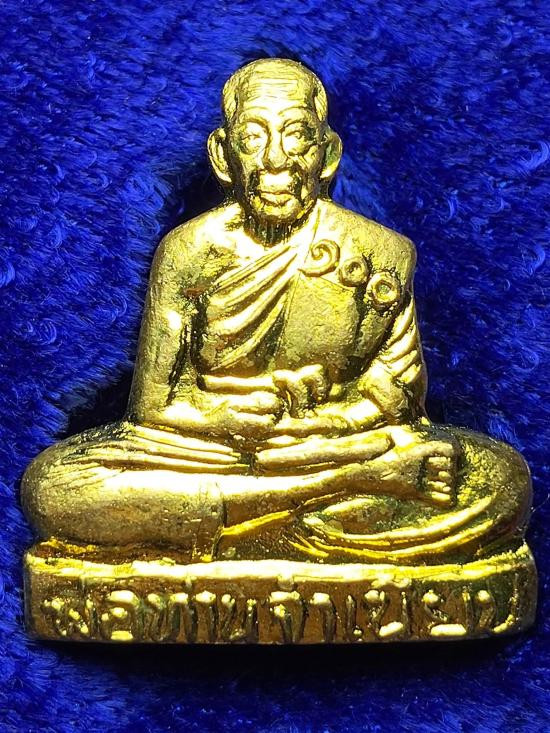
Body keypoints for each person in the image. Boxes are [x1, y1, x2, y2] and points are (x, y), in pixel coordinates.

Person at [22, 59, 531, 565]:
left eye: (297, 137)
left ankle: (227, 529)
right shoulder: (189, 251)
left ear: (327, 154)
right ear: (223, 156)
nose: (275, 160)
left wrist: (329, 421)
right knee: (54, 487)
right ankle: (331, 496)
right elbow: (152, 408)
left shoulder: (379, 253)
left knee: (499, 477)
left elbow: (401, 401)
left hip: (329, 446)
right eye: (252, 138)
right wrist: (221, 417)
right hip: (210, 453)